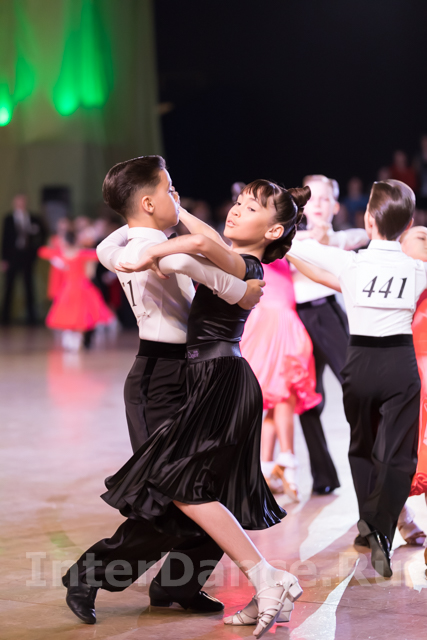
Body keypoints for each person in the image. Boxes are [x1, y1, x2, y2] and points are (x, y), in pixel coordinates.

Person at [69, 174, 308, 637]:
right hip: (186, 375)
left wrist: (154, 248)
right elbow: (199, 243)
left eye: (250, 207)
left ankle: (204, 582)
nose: (236, 209)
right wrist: (155, 237)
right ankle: (120, 579)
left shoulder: (236, 263)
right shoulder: (215, 256)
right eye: (238, 201)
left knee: (193, 488)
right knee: (180, 489)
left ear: (273, 230)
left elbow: (200, 246)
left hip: (215, 378)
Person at [288, 179, 426, 578]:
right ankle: (382, 527)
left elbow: (303, 253)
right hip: (399, 364)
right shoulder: (418, 269)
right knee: (399, 455)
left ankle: (369, 527)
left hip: (360, 362)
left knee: (361, 448)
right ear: (409, 223)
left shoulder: (351, 263)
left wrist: (287, 237)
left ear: (368, 221)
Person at [291, 174, 369, 495]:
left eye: (325, 199)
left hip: (328, 314)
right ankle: (323, 476)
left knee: (356, 388)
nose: (318, 204)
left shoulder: (339, 239)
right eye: (312, 198)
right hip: (298, 320)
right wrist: (311, 237)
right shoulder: (290, 238)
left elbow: (361, 235)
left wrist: (330, 238)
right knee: (307, 399)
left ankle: (371, 471)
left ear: (336, 206)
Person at [240, 255, 321, 501]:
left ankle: (267, 466)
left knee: (280, 394)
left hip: (275, 318)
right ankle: (286, 458)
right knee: (284, 390)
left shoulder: (283, 251)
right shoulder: (258, 250)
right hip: (272, 320)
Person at [38, 227, 115, 351]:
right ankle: (76, 337)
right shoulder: (81, 253)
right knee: (81, 313)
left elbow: (43, 251)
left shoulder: (63, 254)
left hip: (70, 288)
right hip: (81, 287)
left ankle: (74, 337)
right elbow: (97, 255)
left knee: (71, 312)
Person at [1, 194, 46, 325]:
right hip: (12, 257)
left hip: (27, 256)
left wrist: (36, 250)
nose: (20, 204)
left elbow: (42, 234)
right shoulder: (9, 219)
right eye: (18, 202)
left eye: (22, 202)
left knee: (29, 286)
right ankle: (5, 317)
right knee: (9, 286)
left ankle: (31, 318)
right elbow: (5, 239)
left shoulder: (33, 218)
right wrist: (4, 259)